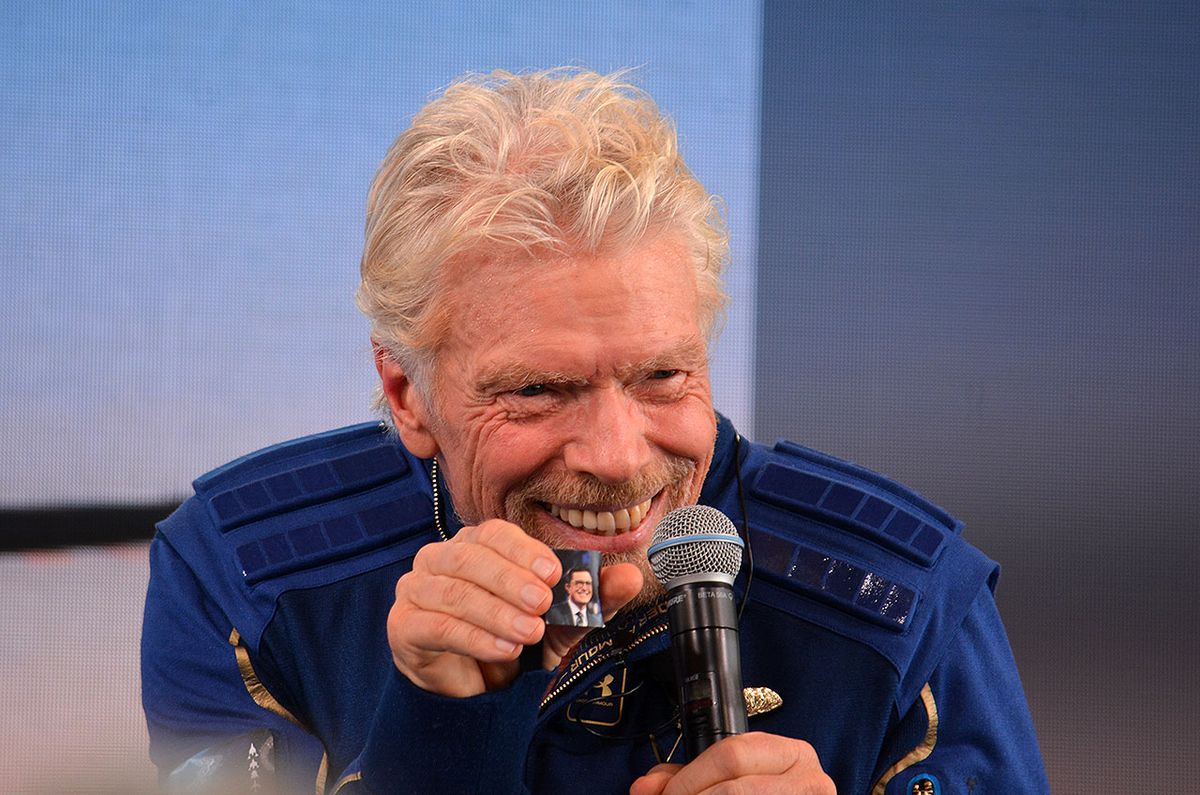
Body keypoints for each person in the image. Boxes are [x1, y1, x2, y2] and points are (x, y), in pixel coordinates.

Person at [141, 68, 1047, 794]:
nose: (618, 458)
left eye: (662, 376)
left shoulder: (905, 601)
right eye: (537, 390)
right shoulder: (246, 578)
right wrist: (441, 728)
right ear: (406, 393)